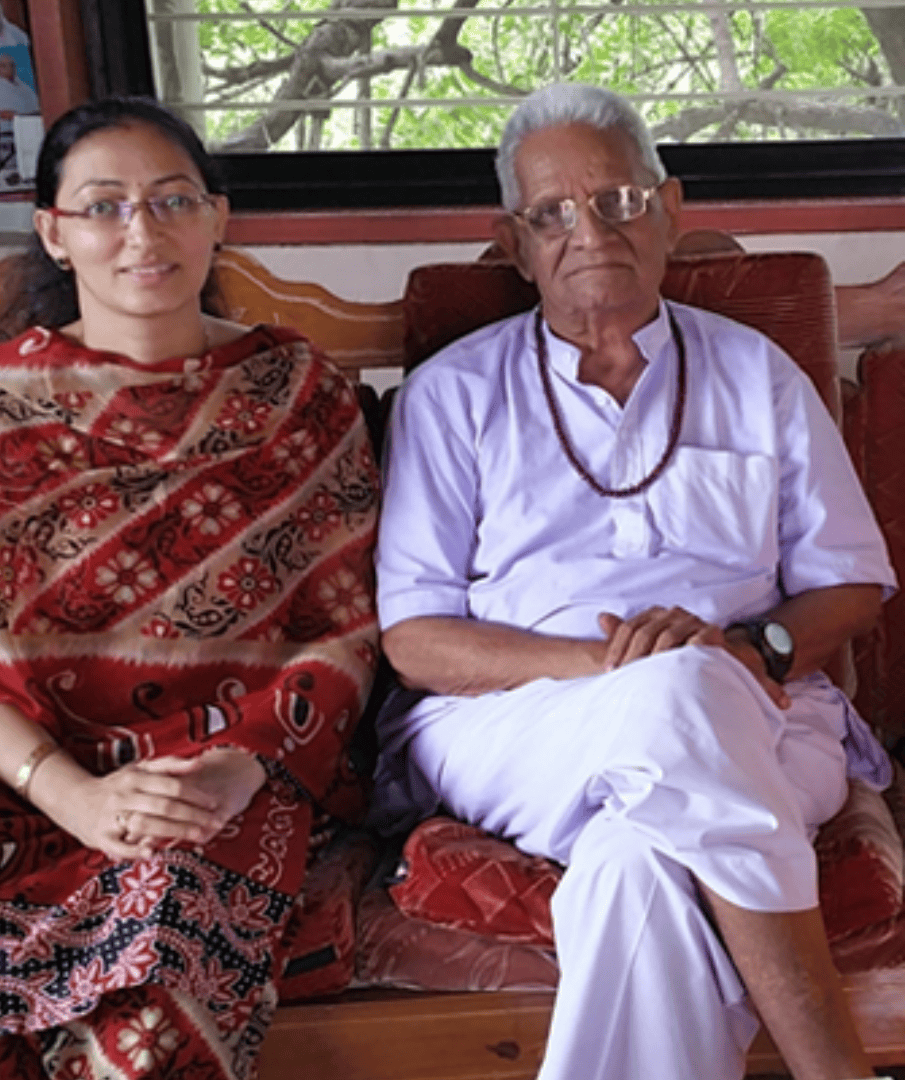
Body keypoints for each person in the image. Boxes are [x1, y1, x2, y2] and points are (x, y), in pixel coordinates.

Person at [0, 96, 379, 1080]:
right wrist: (72, 795)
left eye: (172, 200)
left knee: (158, 971)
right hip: (15, 773)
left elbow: (342, 633)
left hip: (218, 776)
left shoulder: (298, 395)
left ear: (217, 216)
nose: (142, 232)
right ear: (55, 231)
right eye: (105, 205)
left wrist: (240, 769)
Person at [372, 82, 896, 1080]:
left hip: (766, 705)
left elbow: (852, 585)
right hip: (515, 726)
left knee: (632, 866)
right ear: (513, 242)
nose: (590, 231)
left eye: (618, 200)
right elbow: (416, 640)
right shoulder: (452, 395)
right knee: (677, 688)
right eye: (551, 213)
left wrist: (751, 651)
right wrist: (617, 667)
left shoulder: (757, 373)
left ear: (670, 209)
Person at [0, 52, 40, 131]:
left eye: (11, 65)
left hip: (31, 125)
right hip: (7, 130)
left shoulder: (23, 86)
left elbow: (36, 107)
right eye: (3, 66)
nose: (8, 68)